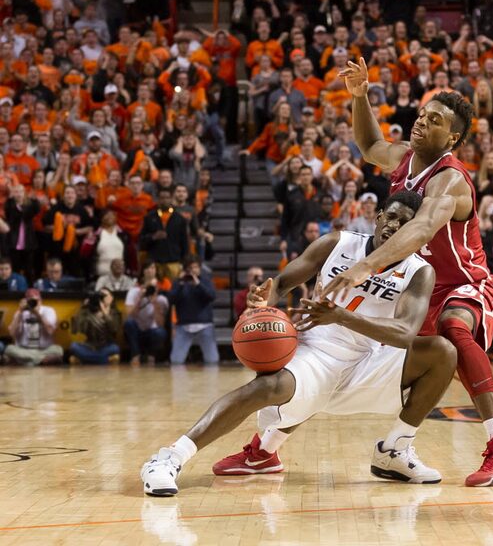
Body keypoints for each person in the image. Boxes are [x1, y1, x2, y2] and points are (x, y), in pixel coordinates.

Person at [141, 192, 457, 495]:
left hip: (367, 364)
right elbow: (280, 283)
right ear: (376, 218)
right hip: (315, 352)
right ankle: (169, 457)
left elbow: (404, 332)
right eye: (390, 217)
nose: (394, 227)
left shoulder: (419, 271)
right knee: (264, 388)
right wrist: (263, 300)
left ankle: (395, 451)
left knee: (443, 352)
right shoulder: (339, 242)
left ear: (417, 234)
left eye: (405, 224)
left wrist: (343, 316)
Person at [325, 59, 493, 487]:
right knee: (349, 347)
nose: (421, 123)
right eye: (421, 115)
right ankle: (389, 449)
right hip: (417, 287)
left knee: (454, 328)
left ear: (452, 137)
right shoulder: (404, 158)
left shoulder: (451, 180)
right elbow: (369, 146)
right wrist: (360, 97)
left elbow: (421, 229)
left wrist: (366, 265)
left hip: (465, 284)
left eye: (433, 121)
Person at [168, 256, 219, 366]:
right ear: (186, 269)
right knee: (176, 361)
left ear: (199, 268)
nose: (193, 270)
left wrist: (198, 285)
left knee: (212, 361)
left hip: (205, 325)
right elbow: (171, 300)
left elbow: (212, 296)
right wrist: (181, 284)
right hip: (184, 325)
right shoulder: (178, 283)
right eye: (190, 268)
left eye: (196, 267)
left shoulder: (205, 281)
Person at [140, 188, 190, 282]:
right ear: (157, 199)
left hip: (173, 262)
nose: (164, 200)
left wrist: (184, 263)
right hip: (155, 262)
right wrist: (153, 237)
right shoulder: (149, 217)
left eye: (167, 198)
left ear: (171, 199)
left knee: (173, 291)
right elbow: (141, 241)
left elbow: (184, 243)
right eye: (162, 198)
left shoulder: (180, 219)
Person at [4, 289, 63, 366]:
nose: (34, 303)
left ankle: (26, 362)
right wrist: (20, 312)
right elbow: (12, 333)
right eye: (31, 301)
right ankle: (39, 361)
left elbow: (50, 331)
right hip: (24, 350)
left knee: (58, 350)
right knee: (9, 349)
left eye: (36, 301)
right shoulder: (20, 312)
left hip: (44, 350)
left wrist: (38, 314)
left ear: (41, 300)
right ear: (26, 302)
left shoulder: (48, 310)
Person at [124, 263, 169, 365]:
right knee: (129, 323)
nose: (150, 270)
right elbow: (129, 316)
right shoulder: (134, 292)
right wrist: (139, 299)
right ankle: (135, 356)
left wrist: (155, 303)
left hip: (151, 332)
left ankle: (151, 356)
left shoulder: (161, 299)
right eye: (147, 268)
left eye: (153, 268)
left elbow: (160, 324)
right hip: (136, 331)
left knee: (161, 332)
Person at [68, 288, 121, 365]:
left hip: (105, 346)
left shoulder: (114, 312)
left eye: (104, 296)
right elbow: (75, 329)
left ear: (111, 298)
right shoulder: (88, 310)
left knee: (115, 348)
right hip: (89, 346)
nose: (102, 298)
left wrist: (106, 313)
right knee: (74, 346)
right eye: (100, 296)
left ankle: (85, 360)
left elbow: (114, 329)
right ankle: (103, 360)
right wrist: (83, 307)